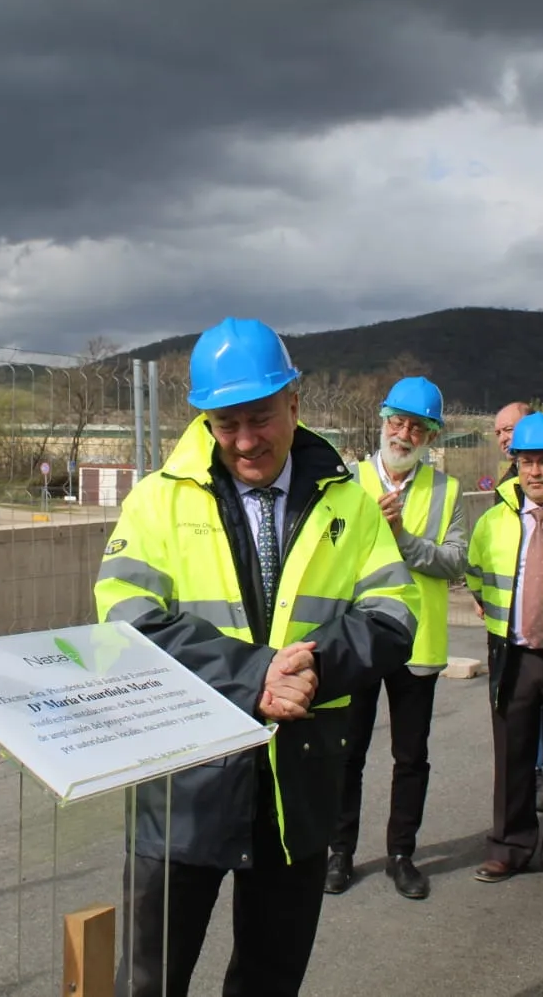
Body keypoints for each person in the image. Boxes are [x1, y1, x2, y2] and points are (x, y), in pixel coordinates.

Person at [94, 316, 418, 997]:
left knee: (269, 980)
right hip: (181, 783)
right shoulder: (155, 502)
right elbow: (124, 621)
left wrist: (313, 667)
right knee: (148, 982)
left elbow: (393, 615)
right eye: (225, 423)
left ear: (293, 403)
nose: (245, 440)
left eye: (260, 417)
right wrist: (252, 676)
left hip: (295, 780)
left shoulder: (349, 504)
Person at [326, 376, 467, 900]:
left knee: (410, 756)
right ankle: (339, 851)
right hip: (358, 636)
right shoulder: (348, 481)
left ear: (431, 437)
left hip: (417, 641)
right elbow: (327, 557)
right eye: (397, 422)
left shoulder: (446, 490)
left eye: (417, 427)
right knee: (348, 751)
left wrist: (404, 539)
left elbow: (455, 560)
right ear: (382, 422)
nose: (403, 433)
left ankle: (401, 853)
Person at [466, 411, 543, 890]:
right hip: (512, 654)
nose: (535, 472)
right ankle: (509, 846)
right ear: (514, 464)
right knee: (511, 754)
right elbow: (476, 577)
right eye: (526, 461)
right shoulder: (493, 522)